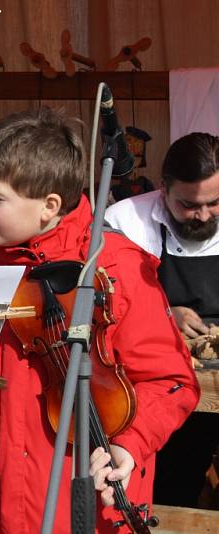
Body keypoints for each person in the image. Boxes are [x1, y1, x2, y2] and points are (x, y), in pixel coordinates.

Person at [0, 108, 199, 532]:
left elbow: (172, 381)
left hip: (82, 514)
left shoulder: (116, 269)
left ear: (50, 205)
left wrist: (132, 443)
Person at [105, 131, 219, 508]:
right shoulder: (125, 222)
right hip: (159, 384)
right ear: (163, 187)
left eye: (214, 203)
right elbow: (106, 304)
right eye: (188, 205)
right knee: (171, 483)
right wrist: (164, 312)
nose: (203, 215)